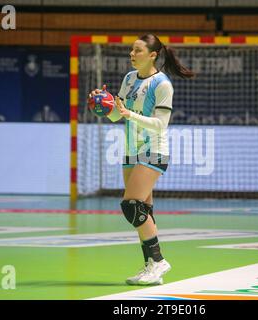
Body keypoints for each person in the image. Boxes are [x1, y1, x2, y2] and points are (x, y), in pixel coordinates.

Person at [89, 34, 194, 285]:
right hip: (130, 150)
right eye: (131, 50)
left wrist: (129, 114)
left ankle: (158, 261)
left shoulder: (162, 84)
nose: (131, 54)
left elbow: (160, 125)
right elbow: (118, 116)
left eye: (137, 50)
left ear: (152, 55)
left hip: (153, 149)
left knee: (131, 205)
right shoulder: (129, 78)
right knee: (143, 210)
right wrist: (103, 105)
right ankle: (151, 266)